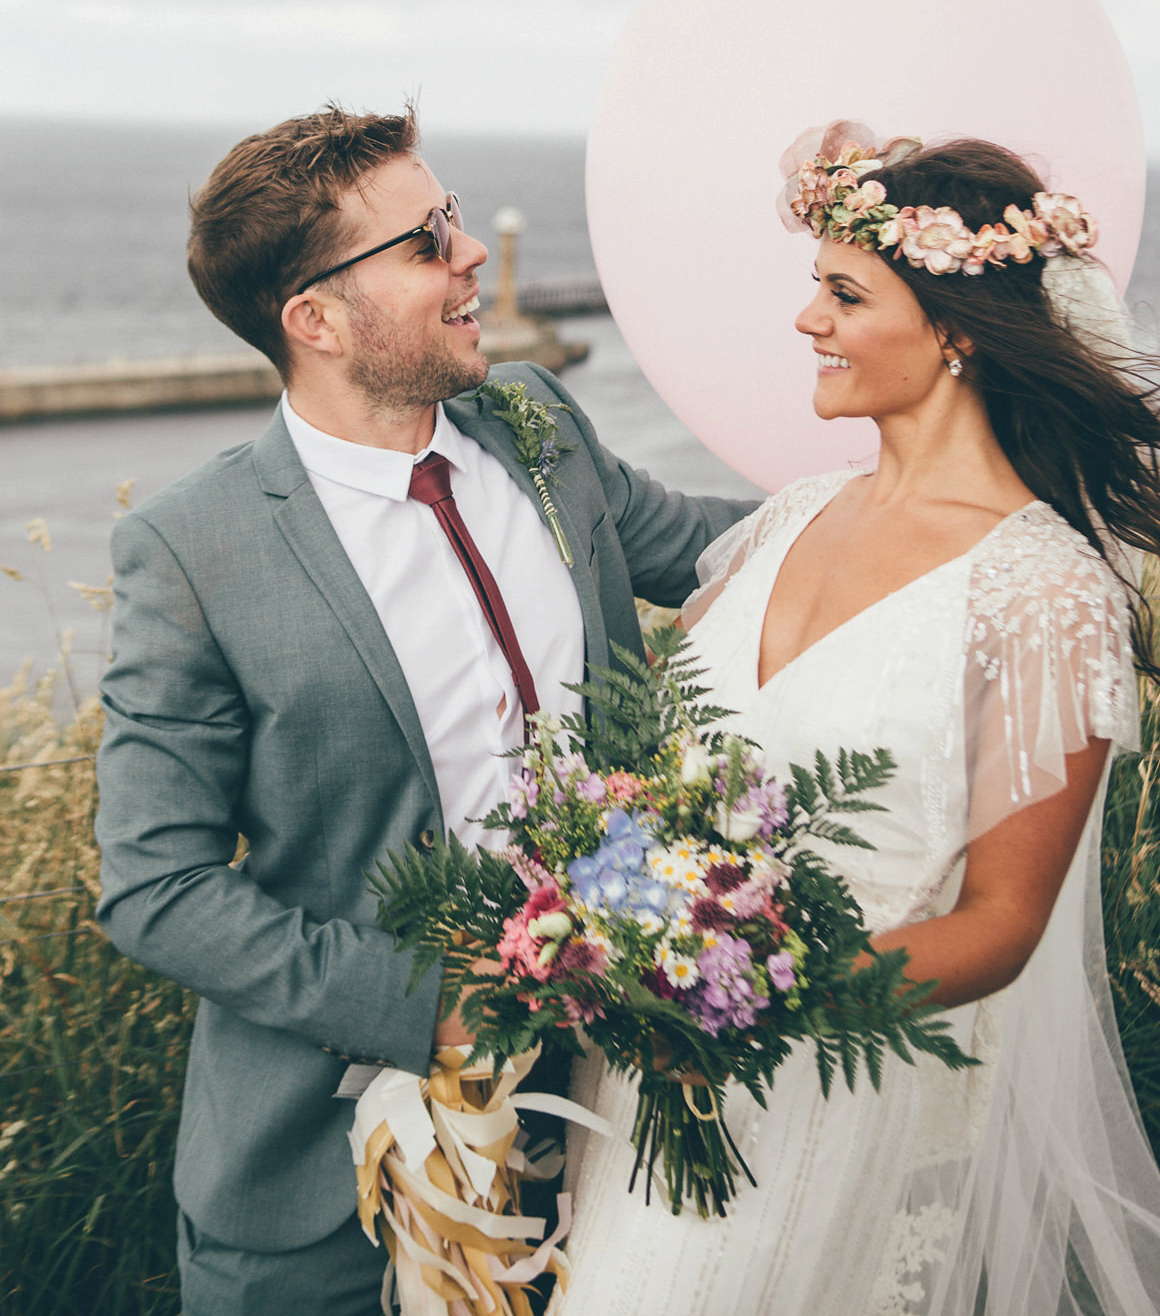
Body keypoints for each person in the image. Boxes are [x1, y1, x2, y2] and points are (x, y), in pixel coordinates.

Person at [93, 102, 756, 1316]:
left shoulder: (540, 427)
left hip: (613, 1137)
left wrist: (937, 491)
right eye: (424, 242)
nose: (471, 256)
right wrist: (430, 1009)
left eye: (451, 219)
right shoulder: (192, 550)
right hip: (323, 1186)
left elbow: (731, 553)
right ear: (317, 319)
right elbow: (155, 886)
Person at [559, 126, 1160, 1315]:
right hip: (654, 1091)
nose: (808, 321)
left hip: (846, 1088)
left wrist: (741, 1009)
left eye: (844, 293)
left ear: (956, 331)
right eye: (816, 288)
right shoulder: (785, 521)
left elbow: (1004, 923)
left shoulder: (1042, 590)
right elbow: (663, 790)